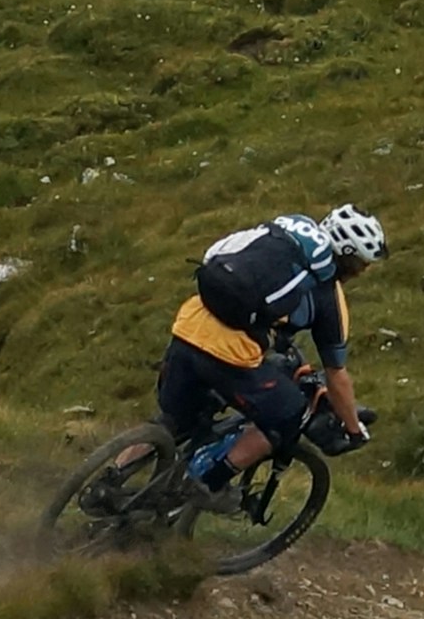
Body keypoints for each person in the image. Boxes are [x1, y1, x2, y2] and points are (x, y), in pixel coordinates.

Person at [160, 205, 381, 487]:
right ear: (347, 258)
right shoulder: (325, 291)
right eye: (360, 265)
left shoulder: (276, 235)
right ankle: (202, 485)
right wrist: (354, 431)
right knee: (288, 416)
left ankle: (110, 479)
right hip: (230, 354)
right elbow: (336, 373)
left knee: (170, 423)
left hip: (187, 326)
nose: (361, 273)